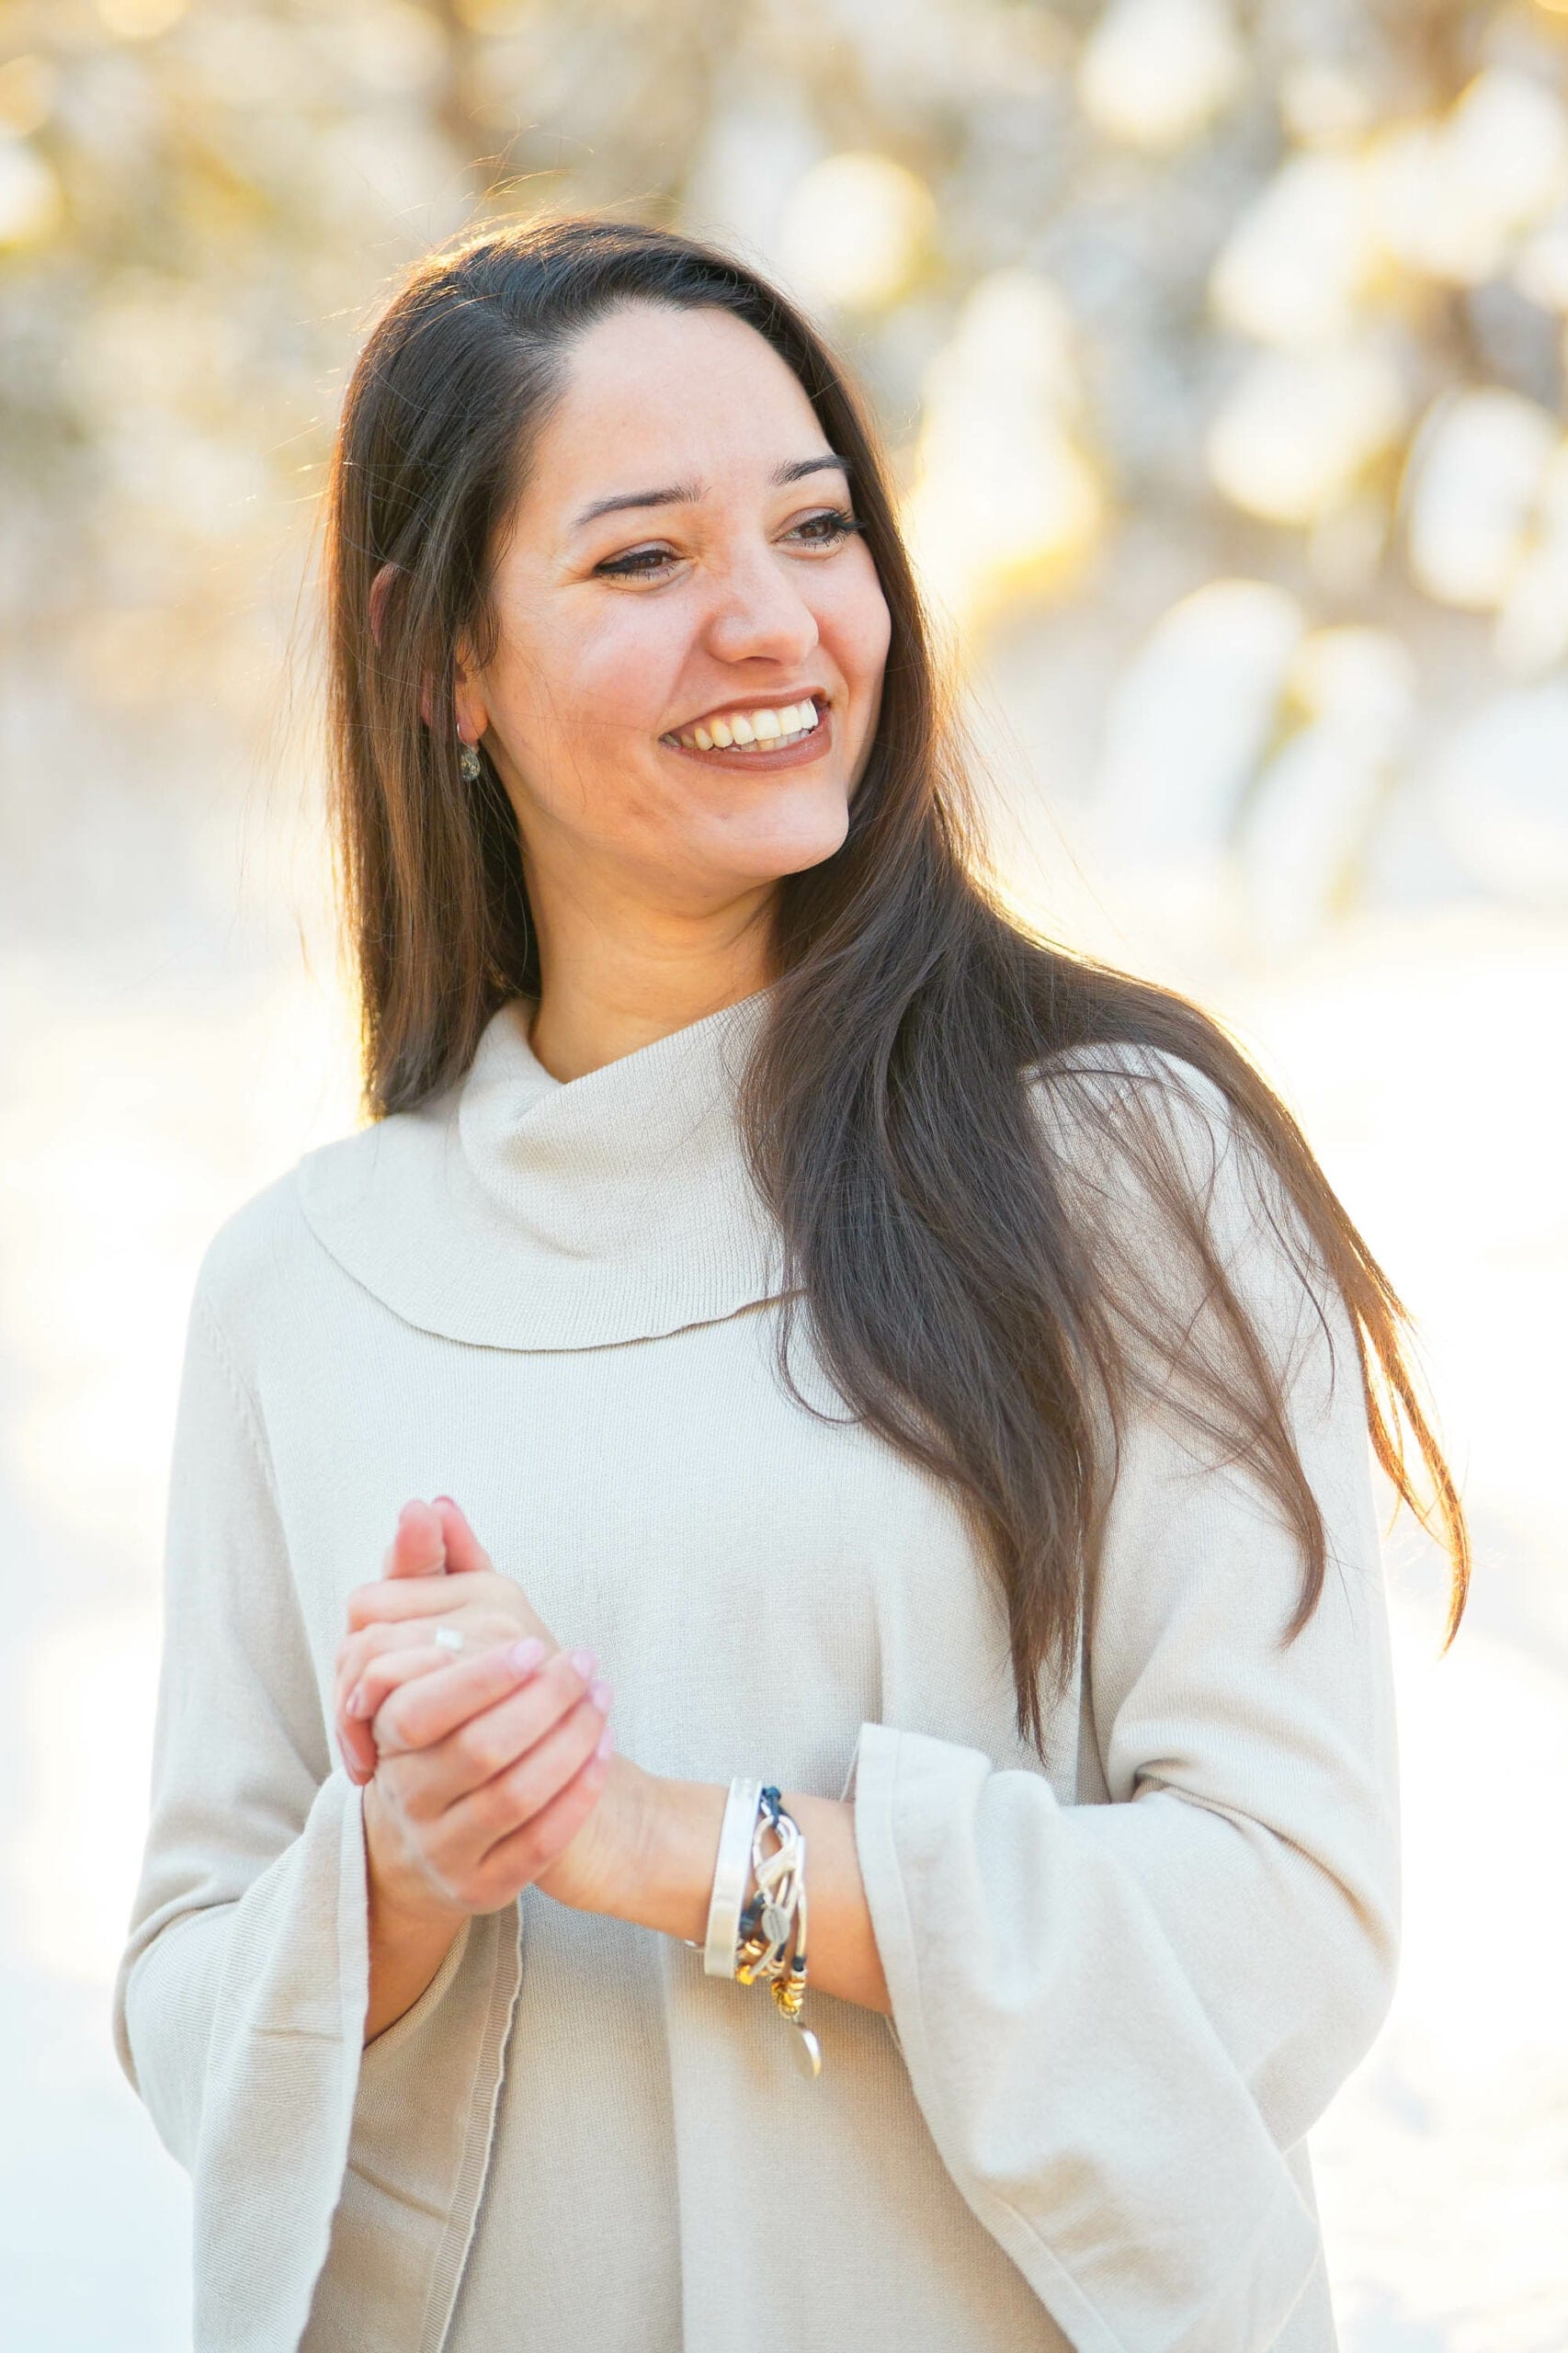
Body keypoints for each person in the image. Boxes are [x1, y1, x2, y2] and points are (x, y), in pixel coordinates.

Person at [111, 214, 1468, 2353]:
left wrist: (669, 1846)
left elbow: (1285, 1932)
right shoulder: (309, 1286)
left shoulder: (1116, 1164)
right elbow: (191, 2009)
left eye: (817, 524)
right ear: (441, 657)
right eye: (641, 561)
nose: (773, 622)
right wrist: (401, 1871)